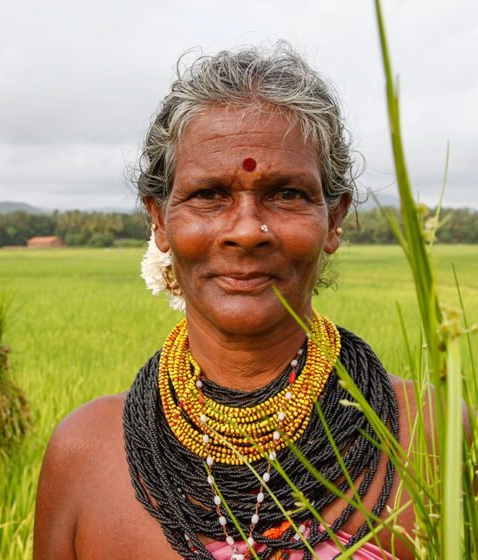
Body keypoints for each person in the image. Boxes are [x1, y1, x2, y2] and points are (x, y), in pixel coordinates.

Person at [35, 44, 426, 560]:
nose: (246, 231)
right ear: (159, 219)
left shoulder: (432, 434)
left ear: (335, 219)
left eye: (286, 194)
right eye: (209, 195)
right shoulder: (84, 454)